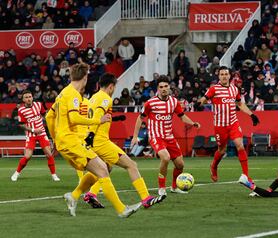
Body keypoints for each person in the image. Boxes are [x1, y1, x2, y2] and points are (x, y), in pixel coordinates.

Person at [45, 63, 140, 218]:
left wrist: (55, 138)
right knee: (103, 169)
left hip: (67, 142)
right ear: (85, 77)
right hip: (71, 141)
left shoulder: (62, 93)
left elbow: (49, 117)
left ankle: (74, 196)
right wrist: (98, 120)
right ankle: (122, 210)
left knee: (102, 169)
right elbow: (74, 118)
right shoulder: (74, 95)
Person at [82, 73, 166, 208]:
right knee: (131, 165)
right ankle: (145, 198)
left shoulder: (93, 97)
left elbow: (96, 116)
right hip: (100, 141)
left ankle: (91, 194)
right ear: (111, 86)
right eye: (114, 87)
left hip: (92, 141)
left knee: (107, 168)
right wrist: (91, 134)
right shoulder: (105, 98)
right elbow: (98, 115)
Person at [131, 75, 201, 196]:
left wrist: (193, 123)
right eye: (161, 87)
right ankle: (162, 187)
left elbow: (182, 116)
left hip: (169, 137)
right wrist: (135, 136)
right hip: (156, 136)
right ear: (158, 88)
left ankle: (174, 187)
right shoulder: (150, 103)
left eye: (166, 86)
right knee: (166, 157)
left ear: (169, 87)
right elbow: (140, 118)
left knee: (180, 164)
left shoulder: (174, 102)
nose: (164, 89)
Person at [196, 66, 260, 182]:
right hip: (220, 125)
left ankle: (246, 175)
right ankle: (214, 166)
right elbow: (204, 99)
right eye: (222, 74)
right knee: (222, 150)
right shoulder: (214, 89)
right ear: (219, 76)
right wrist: (198, 103)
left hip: (233, 123)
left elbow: (240, 104)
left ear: (230, 76)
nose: (224, 76)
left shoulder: (234, 89)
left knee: (240, 145)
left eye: (226, 74)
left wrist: (251, 115)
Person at [11, 90, 60, 182]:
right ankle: (16, 173)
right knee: (28, 156)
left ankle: (54, 175)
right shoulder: (21, 110)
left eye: (30, 97)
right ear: (23, 99)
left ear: (32, 97)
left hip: (42, 133)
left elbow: (44, 115)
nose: (29, 99)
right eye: (26, 97)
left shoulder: (38, 105)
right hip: (31, 134)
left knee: (49, 154)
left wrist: (51, 117)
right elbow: (21, 125)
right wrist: (33, 130)